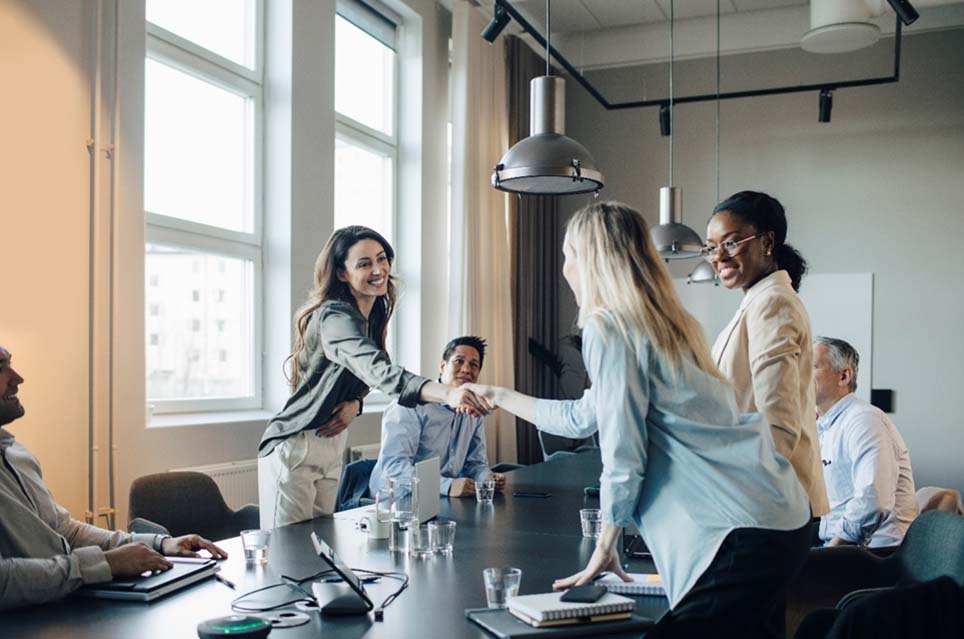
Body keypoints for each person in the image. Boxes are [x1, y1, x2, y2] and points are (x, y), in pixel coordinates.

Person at [467, 202, 811, 638]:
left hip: (737, 535)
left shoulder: (608, 328)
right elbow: (584, 416)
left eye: (568, 255)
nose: (565, 268)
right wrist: (497, 395)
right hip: (778, 522)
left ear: (590, 261)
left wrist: (606, 542)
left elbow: (622, 452)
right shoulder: (669, 326)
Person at [257, 226, 489, 528]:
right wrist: (447, 393)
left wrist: (355, 401)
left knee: (318, 551)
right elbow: (376, 369)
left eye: (382, 259)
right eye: (364, 263)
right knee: (288, 555)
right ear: (342, 273)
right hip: (297, 442)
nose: (378, 269)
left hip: (331, 440)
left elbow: (360, 374)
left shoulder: (370, 317)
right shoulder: (334, 317)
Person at [0, 345, 228, 611]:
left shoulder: (18, 455)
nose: (17, 377)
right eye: (1, 368)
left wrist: (160, 544)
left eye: (10, 363)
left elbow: (65, 532)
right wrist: (104, 563)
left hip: (66, 602)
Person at [705, 191, 829, 517]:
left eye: (730, 243)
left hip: (767, 508)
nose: (718, 256)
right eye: (711, 246)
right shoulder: (758, 301)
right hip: (762, 502)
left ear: (767, 242)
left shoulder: (772, 303)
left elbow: (779, 427)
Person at [812, 337, 918, 547]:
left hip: (874, 552)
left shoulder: (863, 420)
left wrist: (830, 555)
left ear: (844, 376)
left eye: (812, 366)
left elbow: (872, 501)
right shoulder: (826, 425)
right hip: (839, 543)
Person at [369, 336, 506, 498]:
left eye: (474, 365)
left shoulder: (474, 410)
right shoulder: (410, 404)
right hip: (397, 499)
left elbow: (474, 463)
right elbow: (394, 468)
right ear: (442, 366)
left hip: (441, 499)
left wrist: (487, 477)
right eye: (459, 361)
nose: (466, 369)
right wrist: (447, 486)